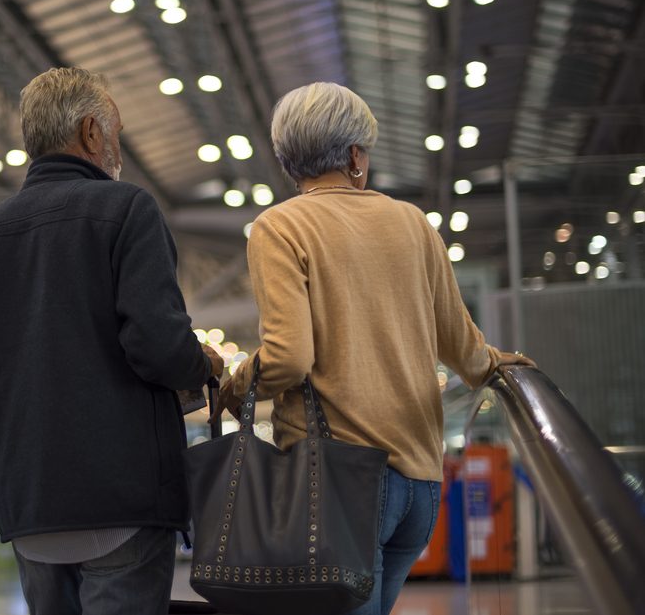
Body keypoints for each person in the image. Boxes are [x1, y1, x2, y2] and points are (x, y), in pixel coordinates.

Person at [0, 67, 223, 615]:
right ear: (91, 132)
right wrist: (201, 365)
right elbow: (158, 346)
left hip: (29, 505)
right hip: (122, 497)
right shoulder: (127, 210)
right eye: (116, 133)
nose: (119, 148)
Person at [213, 82, 535, 615]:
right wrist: (500, 364)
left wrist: (235, 385)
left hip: (338, 483)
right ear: (355, 157)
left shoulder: (280, 226)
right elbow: (465, 350)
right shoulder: (412, 223)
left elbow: (289, 356)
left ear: (289, 161)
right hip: (420, 484)